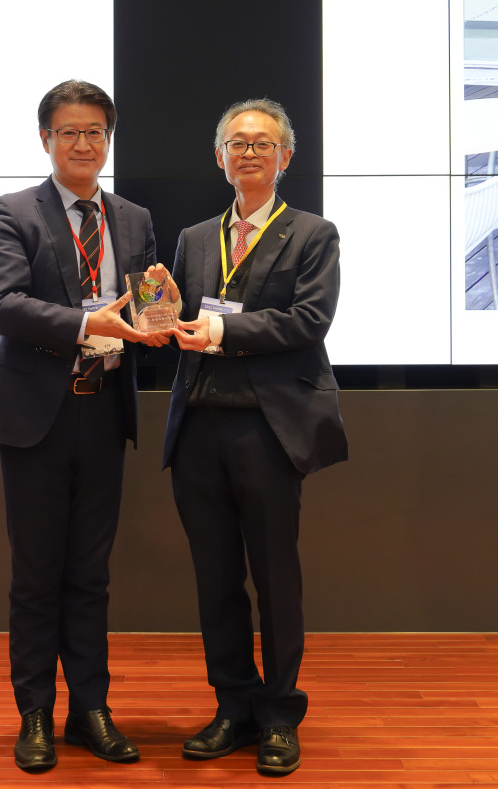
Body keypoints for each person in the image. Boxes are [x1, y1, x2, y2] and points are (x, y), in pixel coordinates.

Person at [0, 79, 165, 772]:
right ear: (46, 139)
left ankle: (90, 709)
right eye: (69, 132)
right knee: (37, 575)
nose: (83, 144)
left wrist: (159, 319)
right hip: (37, 418)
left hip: (105, 409)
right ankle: (34, 713)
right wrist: (88, 322)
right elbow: (3, 305)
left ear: (108, 139)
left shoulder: (134, 218)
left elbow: (142, 306)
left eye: (95, 132)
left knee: (90, 573)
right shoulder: (12, 212)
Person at [163, 98, 345, 778]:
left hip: (268, 429)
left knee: (275, 578)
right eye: (237, 143)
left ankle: (279, 715)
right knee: (215, 580)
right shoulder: (193, 238)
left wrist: (219, 329)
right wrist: (158, 316)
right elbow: (180, 320)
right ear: (220, 157)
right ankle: (232, 707)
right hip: (198, 427)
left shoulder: (313, 233)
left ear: (284, 157)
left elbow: (309, 321)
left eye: (261, 143)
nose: (248, 153)